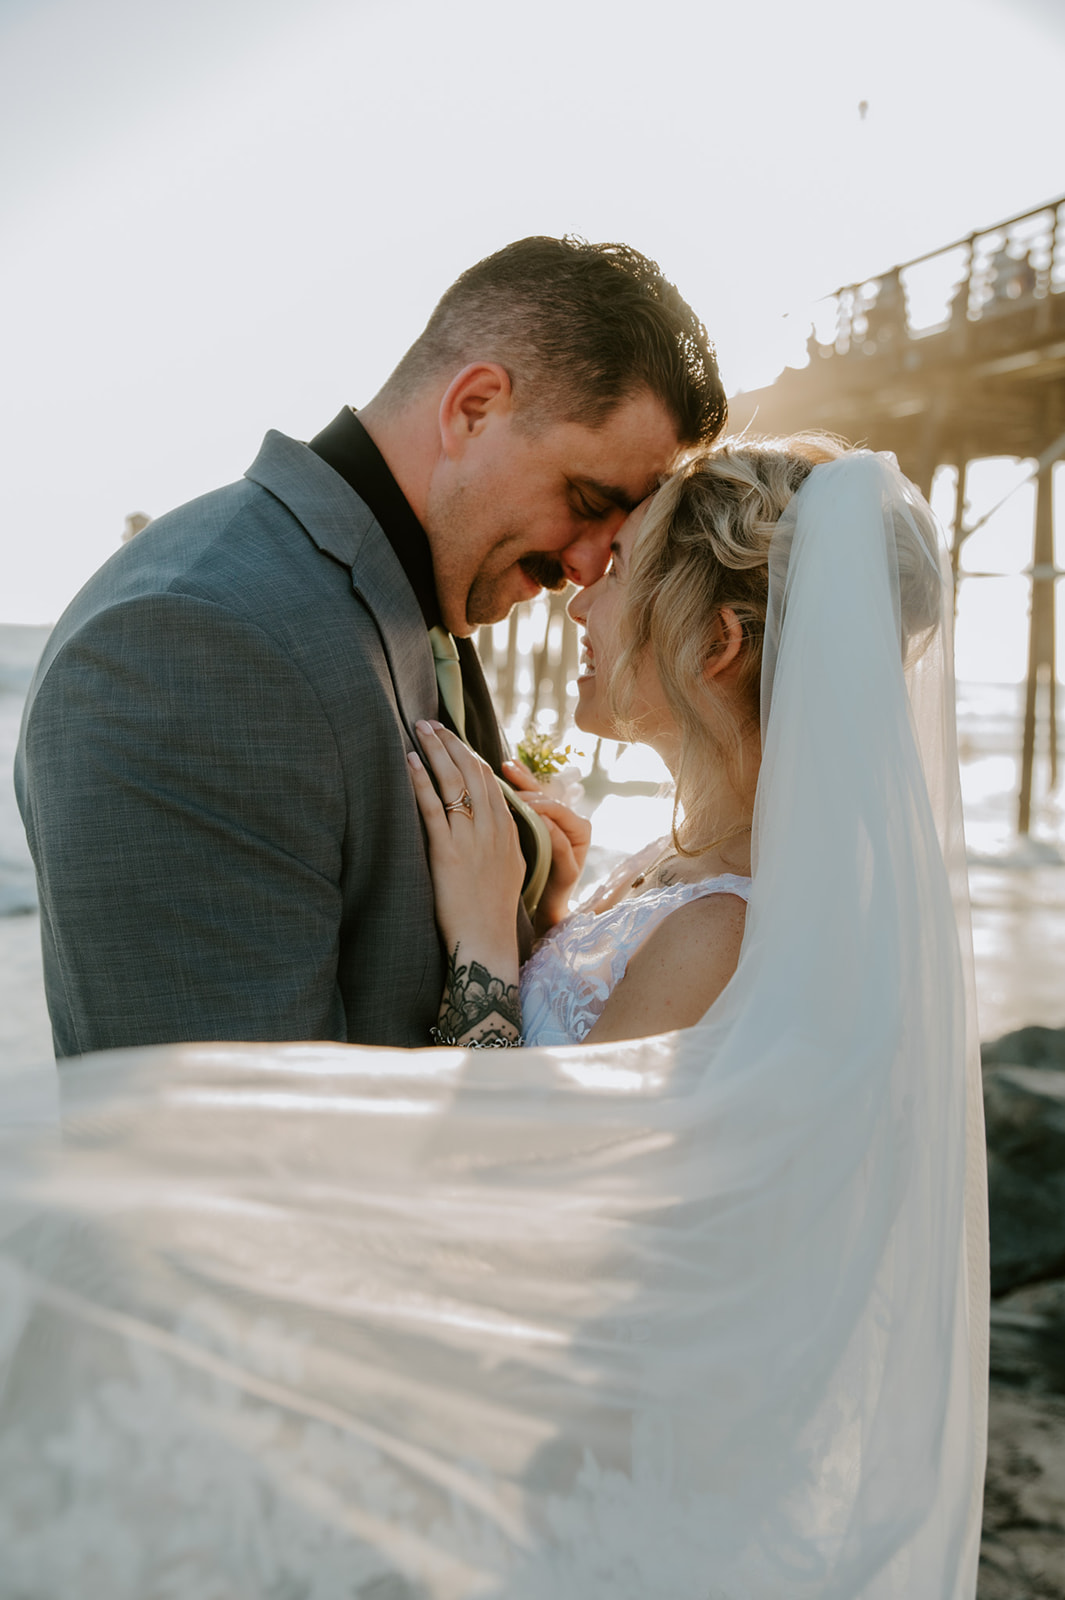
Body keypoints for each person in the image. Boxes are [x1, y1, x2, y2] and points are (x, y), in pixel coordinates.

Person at [0, 441, 988, 1597]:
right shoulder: (682, 874)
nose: (582, 591)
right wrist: (553, 912)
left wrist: (480, 943)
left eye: (621, 566)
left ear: (717, 644)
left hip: (565, 1487)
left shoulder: (722, 930)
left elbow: (548, 1231)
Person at [14, 236, 725, 1059]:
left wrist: (535, 896)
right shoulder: (191, 644)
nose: (586, 567)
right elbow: (232, 1158)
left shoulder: (409, 589)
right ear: (472, 408)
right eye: (587, 498)